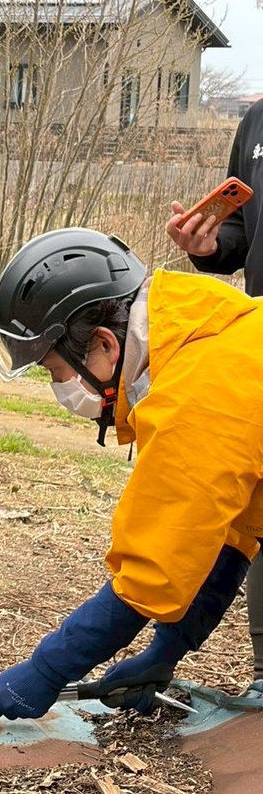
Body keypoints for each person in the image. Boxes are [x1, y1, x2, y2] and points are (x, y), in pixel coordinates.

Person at [0, 227, 263, 721]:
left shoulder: (200, 391)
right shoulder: (215, 343)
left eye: (55, 371)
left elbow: (154, 567)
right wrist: (166, 650)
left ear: (105, 345)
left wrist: (47, 670)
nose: (60, 388)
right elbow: (228, 537)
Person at [167, 132, 263, 696]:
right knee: (256, 513)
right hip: (259, 339)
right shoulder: (256, 121)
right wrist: (206, 246)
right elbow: (241, 234)